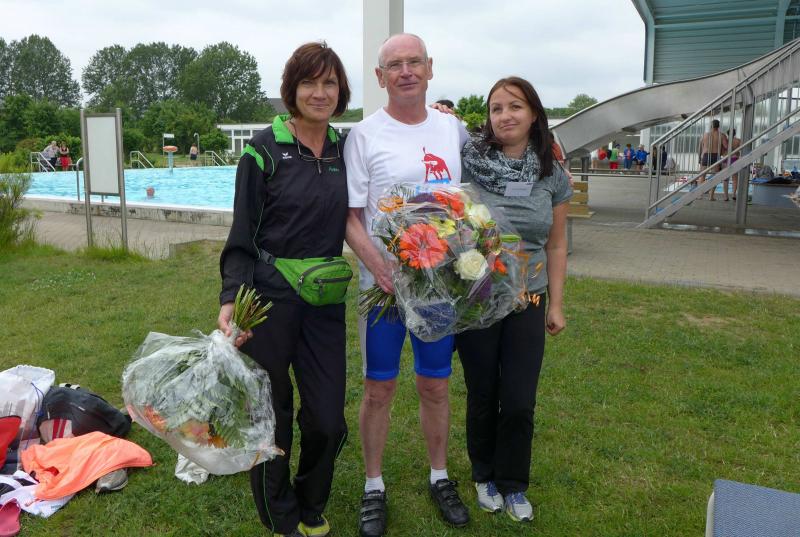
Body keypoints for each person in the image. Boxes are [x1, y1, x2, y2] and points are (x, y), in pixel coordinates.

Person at [217, 41, 351, 537]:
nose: (320, 92)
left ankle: (312, 500)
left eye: (330, 82)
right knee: (271, 415)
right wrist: (231, 298)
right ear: (291, 89)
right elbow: (241, 236)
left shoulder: (345, 148)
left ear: (341, 91)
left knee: (327, 418)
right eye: (309, 82)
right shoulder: (263, 151)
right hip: (268, 300)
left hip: (324, 302)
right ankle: (281, 516)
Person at [344, 33, 470, 537]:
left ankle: (440, 476)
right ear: (380, 77)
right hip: (383, 288)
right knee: (379, 387)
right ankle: (373, 485)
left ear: (430, 67)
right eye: (394, 65)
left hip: (439, 284)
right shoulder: (363, 135)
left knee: (435, 384)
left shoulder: (452, 128)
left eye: (414, 61)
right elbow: (351, 216)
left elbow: (478, 185)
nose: (406, 71)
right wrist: (382, 270)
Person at [457, 76, 570, 524]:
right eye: (496, 108)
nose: (505, 116)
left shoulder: (552, 172)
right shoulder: (470, 164)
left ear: (534, 113)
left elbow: (557, 244)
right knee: (483, 392)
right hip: (480, 297)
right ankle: (483, 474)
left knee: (519, 399)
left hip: (530, 299)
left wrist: (556, 304)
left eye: (515, 106)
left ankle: (514, 483)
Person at [698, 119, 728, 200]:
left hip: (705, 155)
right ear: (718, 126)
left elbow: (700, 146)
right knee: (715, 176)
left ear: (711, 126)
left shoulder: (705, 135)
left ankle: (700, 195)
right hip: (716, 156)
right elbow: (726, 146)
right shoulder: (721, 135)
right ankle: (711, 196)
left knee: (702, 176)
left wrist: (699, 158)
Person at [723, 129, 742, 201]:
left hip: (726, 159)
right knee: (735, 178)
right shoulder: (738, 140)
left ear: (727, 134)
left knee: (725, 179)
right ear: (735, 133)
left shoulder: (725, 141)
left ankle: (726, 196)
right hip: (735, 159)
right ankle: (733, 194)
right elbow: (741, 150)